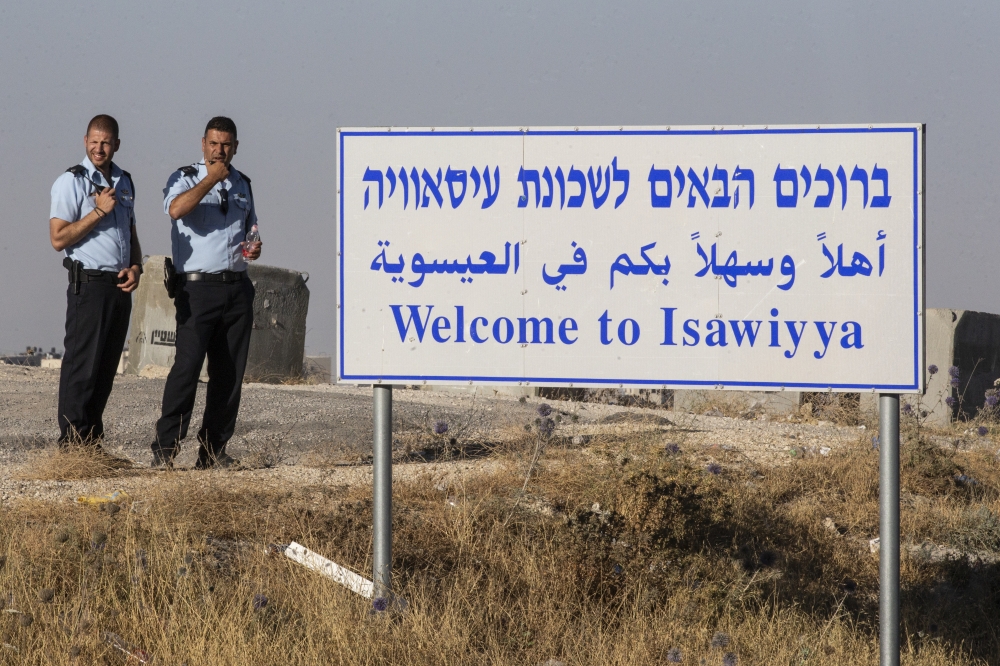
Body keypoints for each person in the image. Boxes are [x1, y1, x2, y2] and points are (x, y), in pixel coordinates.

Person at [151, 116, 262, 469]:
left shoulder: (243, 184)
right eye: (213, 144)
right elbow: (176, 209)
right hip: (197, 291)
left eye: (226, 145)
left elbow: (251, 230)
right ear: (203, 144)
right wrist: (209, 180)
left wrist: (254, 247)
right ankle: (165, 450)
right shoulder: (184, 177)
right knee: (186, 370)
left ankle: (213, 452)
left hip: (236, 288)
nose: (219, 151)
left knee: (228, 375)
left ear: (235, 147)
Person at [50, 114, 142, 447]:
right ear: (84, 140)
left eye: (105, 142)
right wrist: (98, 211)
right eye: (93, 141)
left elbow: (130, 232)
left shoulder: (125, 181)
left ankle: (91, 445)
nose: (98, 148)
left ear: (116, 144)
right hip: (87, 285)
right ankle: (71, 447)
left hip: (118, 285)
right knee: (82, 367)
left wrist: (136, 266)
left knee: (104, 369)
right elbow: (58, 238)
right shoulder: (71, 182)